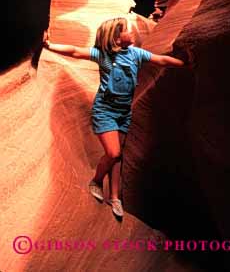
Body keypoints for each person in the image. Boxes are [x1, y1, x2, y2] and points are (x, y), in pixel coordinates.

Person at [44, 17, 186, 218]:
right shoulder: (104, 55)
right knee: (113, 153)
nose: (133, 34)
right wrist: (49, 45)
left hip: (123, 113)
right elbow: (76, 51)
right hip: (105, 111)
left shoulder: (135, 54)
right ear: (116, 38)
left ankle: (115, 197)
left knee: (118, 156)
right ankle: (96, 181)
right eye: (128, 30)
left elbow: (161, 60)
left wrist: (183, 63)